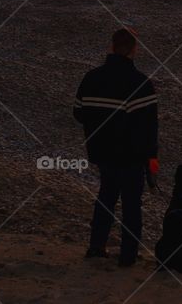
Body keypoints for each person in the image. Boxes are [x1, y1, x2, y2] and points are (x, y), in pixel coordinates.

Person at [75, 28, 159, 267]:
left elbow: (79, 112)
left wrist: (101, 125)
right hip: (131, 156)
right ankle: (128, 256)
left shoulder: (91, 78)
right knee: (132, 206)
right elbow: (149, 131)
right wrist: (152, 165)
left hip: (102, 153)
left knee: (105, 198)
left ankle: (96, 247)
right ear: (134, 50)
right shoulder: (140, 83)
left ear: (111, 47)